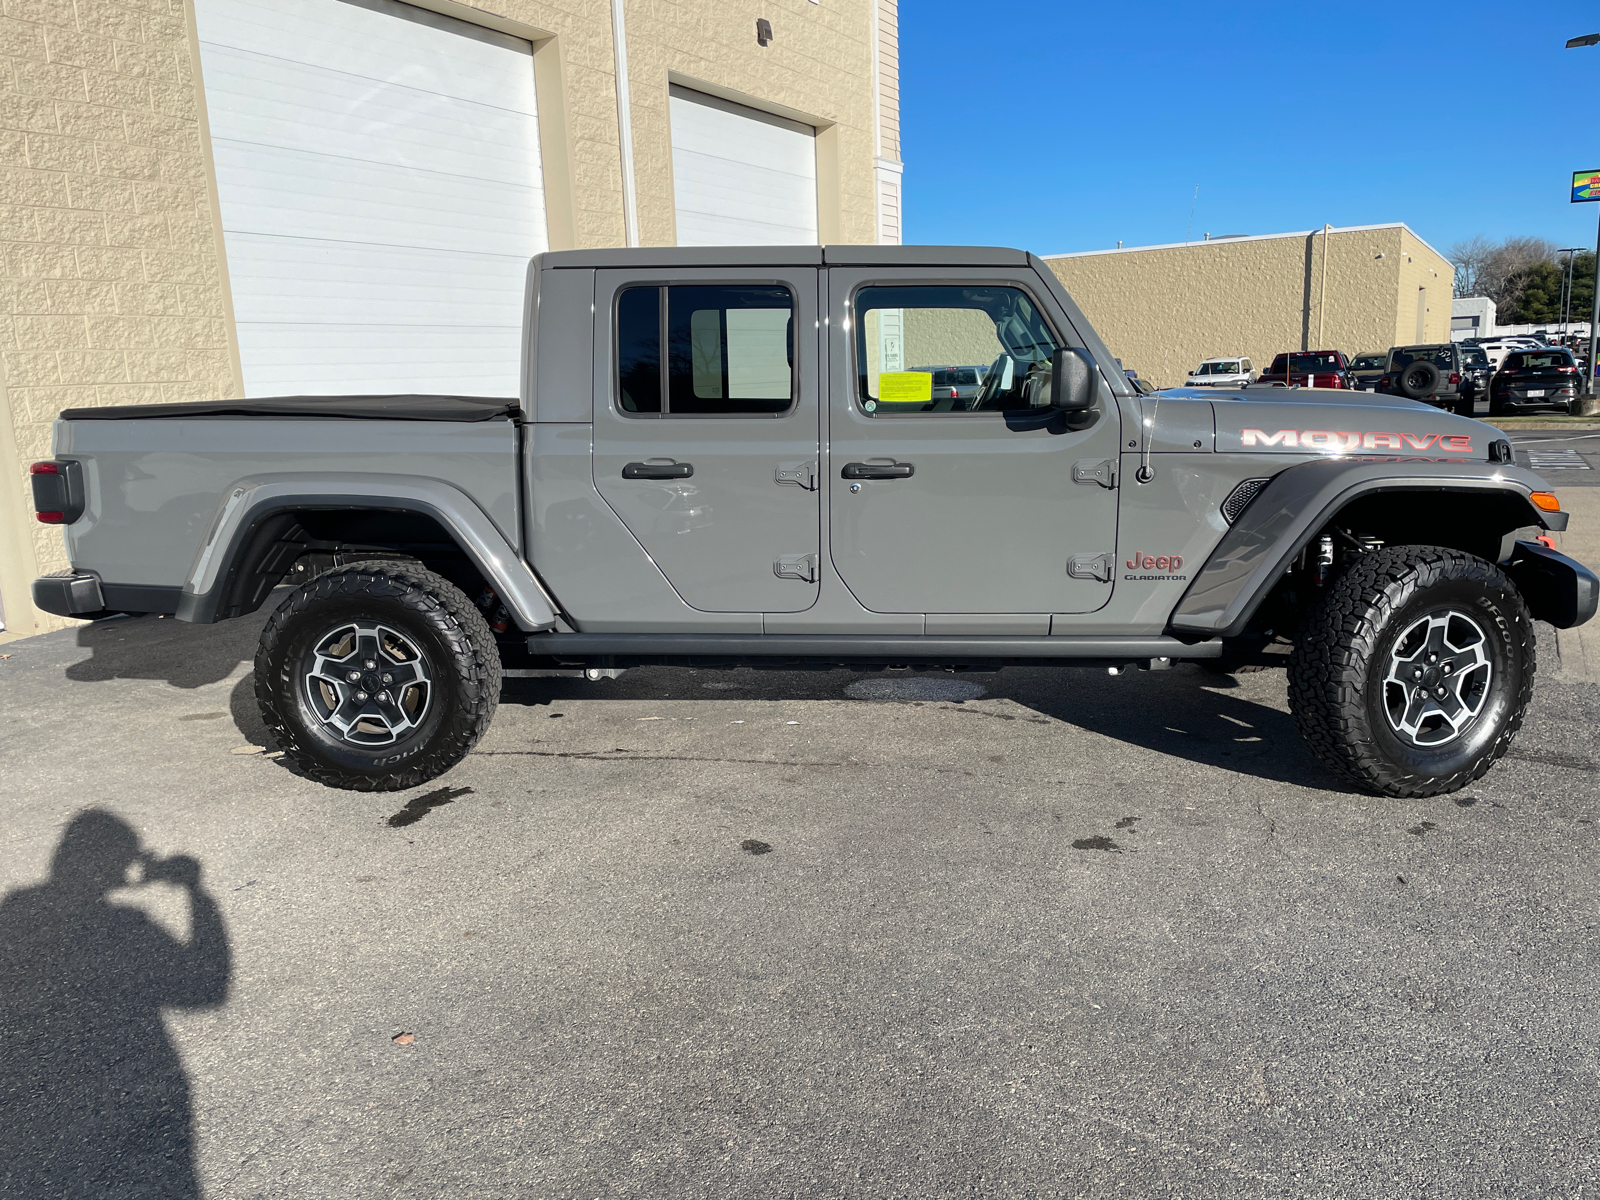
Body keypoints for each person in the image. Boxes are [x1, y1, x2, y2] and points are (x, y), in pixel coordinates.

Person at [0, 809, 230, 1198]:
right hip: (137, 1098)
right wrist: (196, 891)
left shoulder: (15, 910)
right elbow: (206, 989)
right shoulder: (127, 923)